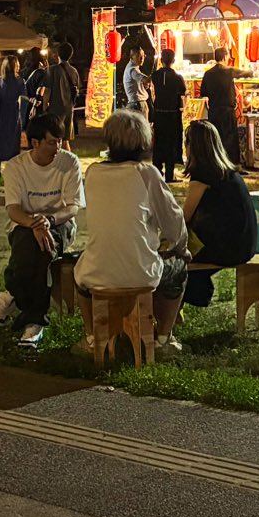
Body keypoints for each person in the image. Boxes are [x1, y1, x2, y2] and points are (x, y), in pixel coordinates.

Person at [76, 109, 191, 351]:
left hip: (96, 271)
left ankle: (91, 337)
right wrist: (180, 247)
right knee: (178, 271)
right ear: (143, 141)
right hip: (141, 273)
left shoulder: (93, 173)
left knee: (79, 278)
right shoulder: (147, 174)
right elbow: (173, 221)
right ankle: (163, 339)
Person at [0, 114, 86, 349]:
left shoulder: (69, 162)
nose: (58, 147)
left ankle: (12, 295)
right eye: (52, 142)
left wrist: (48, 220)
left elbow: (72, 207)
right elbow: (13, 210)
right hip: (24, 224)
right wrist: (35, 223)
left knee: (41, 246)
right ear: (34, 143)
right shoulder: (16, 167)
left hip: (59, 223)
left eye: (59, 141)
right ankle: (35, 320)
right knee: (35, 246)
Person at [181, 120, 259, 308]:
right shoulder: (228, 173)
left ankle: (180, 304)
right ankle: (196, 293)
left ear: (193, 147)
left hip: (228, 248)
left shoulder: (203, 175)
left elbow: (184, 217)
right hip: (245, 244)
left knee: (173, 258)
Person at [198, 46, 241, 170]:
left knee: (216, 138)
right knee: (230, 139)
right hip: (227, 110)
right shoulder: (228, 71)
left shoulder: (208, 73)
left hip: (214, 111)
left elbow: (203, 92)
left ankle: (217, 164)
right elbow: (246, 73)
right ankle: (231, 165)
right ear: (225, 57)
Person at [150, 47, 188, 182]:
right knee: (171, 143)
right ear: (173, 60)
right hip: (172, 114)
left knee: (159, 142)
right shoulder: (178, 77)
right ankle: (169, 174)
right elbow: (183, 92)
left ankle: (157, 172)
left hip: (159, 113)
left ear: (161, 60)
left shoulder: (155, 75)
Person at [0, 58, 28, 165]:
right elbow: (24, 98)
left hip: (1, 111)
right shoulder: (20, 81)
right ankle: (12, 162)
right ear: (16, 66)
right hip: (13, 112)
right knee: (12, 138)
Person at [48, 42, 85, 142]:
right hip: (69, 109)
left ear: (58, 54)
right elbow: (77, 90)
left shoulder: (53, 70)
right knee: (65, 140)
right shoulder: (74, 71)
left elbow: (47, 90)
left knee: (54, 138)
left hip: (55, 109)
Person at [120, 44, 151, 115]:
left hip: (135, 104)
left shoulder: (131, 68)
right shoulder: (132, 70)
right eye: (138, 56)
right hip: (138, 105)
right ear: (131, 57)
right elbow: (146, 80)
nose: (142, 58)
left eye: (143, 56)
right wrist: (157, 75)